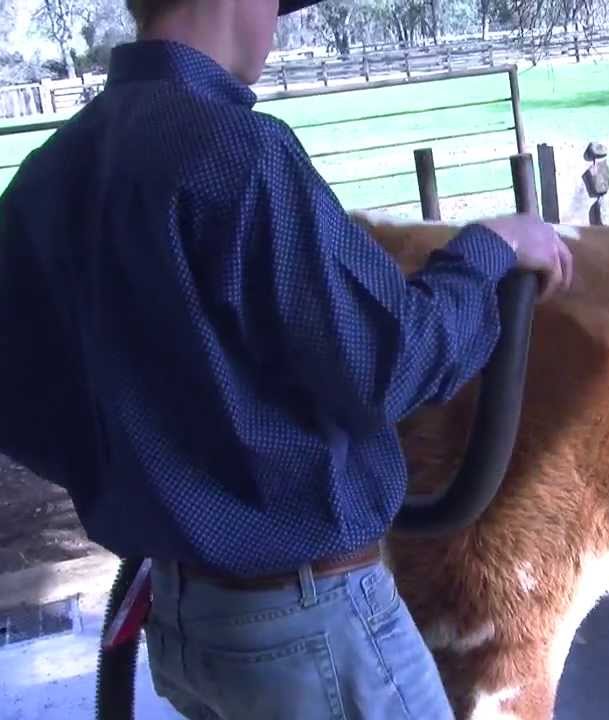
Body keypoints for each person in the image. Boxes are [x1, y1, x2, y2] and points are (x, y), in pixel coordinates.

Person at [0, 0, 572, 716]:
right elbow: (389, 363)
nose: (275, 26)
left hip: (181, 627)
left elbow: (21, 406)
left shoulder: (48, 172)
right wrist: (491, 249)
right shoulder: (240, 154)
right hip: (308, 625)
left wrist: (159, 481)